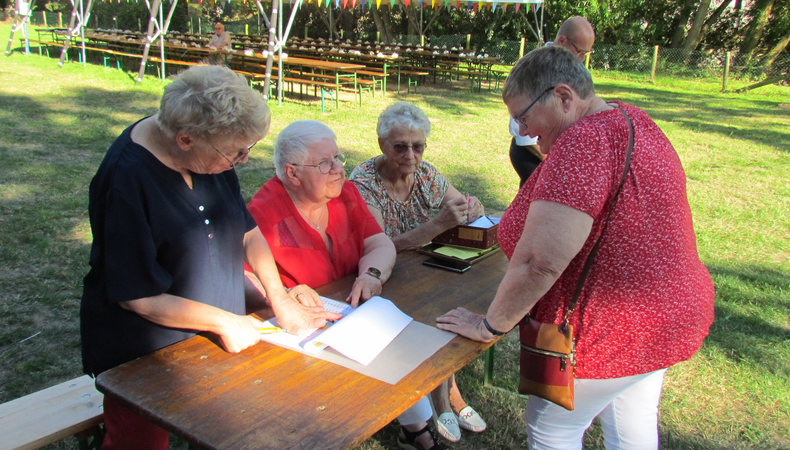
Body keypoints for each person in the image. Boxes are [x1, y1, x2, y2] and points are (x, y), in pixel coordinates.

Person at [437, 45, 714, 449]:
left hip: (608, 331)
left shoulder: (583, 141)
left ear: (564, 97)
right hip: (661, 320)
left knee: (554, 432)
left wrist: (490, 324)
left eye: (524, 117)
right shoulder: (629, 117)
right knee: (633, 423)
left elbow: (538, 263)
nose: (524, 132)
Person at [80, 65, 336, 450]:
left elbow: (247, 232)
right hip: (142, 353)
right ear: (185, 140)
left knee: (224, 434)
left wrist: (278, 297)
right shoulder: (126, 180)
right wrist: (222, 320)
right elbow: (138, 295)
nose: (243, 159)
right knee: (139, 444)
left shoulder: (210, 149)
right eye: (236, 152)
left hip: (215, 337)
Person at [244, 120, 446, 450]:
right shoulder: (265, 212)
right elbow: (239, 275)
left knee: (396, 335)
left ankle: (416, 429)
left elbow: (380, 245)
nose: (339, 169)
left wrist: (371, 276)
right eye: (326, 163)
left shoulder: (345, 194)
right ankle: (417, 431)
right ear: (293, 174)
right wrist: (280, 294)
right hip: (304, 333)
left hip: (351, 310)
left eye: (338, 158)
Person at [349, 102, 487, 443]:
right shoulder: (363, 183)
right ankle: (442, 398)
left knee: (455, 302)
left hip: (426, 269)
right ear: (382, 145)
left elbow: (462, 207)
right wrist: (438, 224)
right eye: (400, 147)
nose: (411, 155)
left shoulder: (426, 174)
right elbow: (381, 246)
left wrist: (472, 209)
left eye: (418, 146)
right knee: (432, 313)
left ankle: (446, 388)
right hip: (382, 277)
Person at [508, 16, 595, 187]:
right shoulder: (537, 68)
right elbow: (524, 133)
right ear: (562, 41)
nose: (582, 59)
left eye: (586, 53)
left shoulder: (571, 72)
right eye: (580, 52)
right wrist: (556, 162)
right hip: (533, 152)